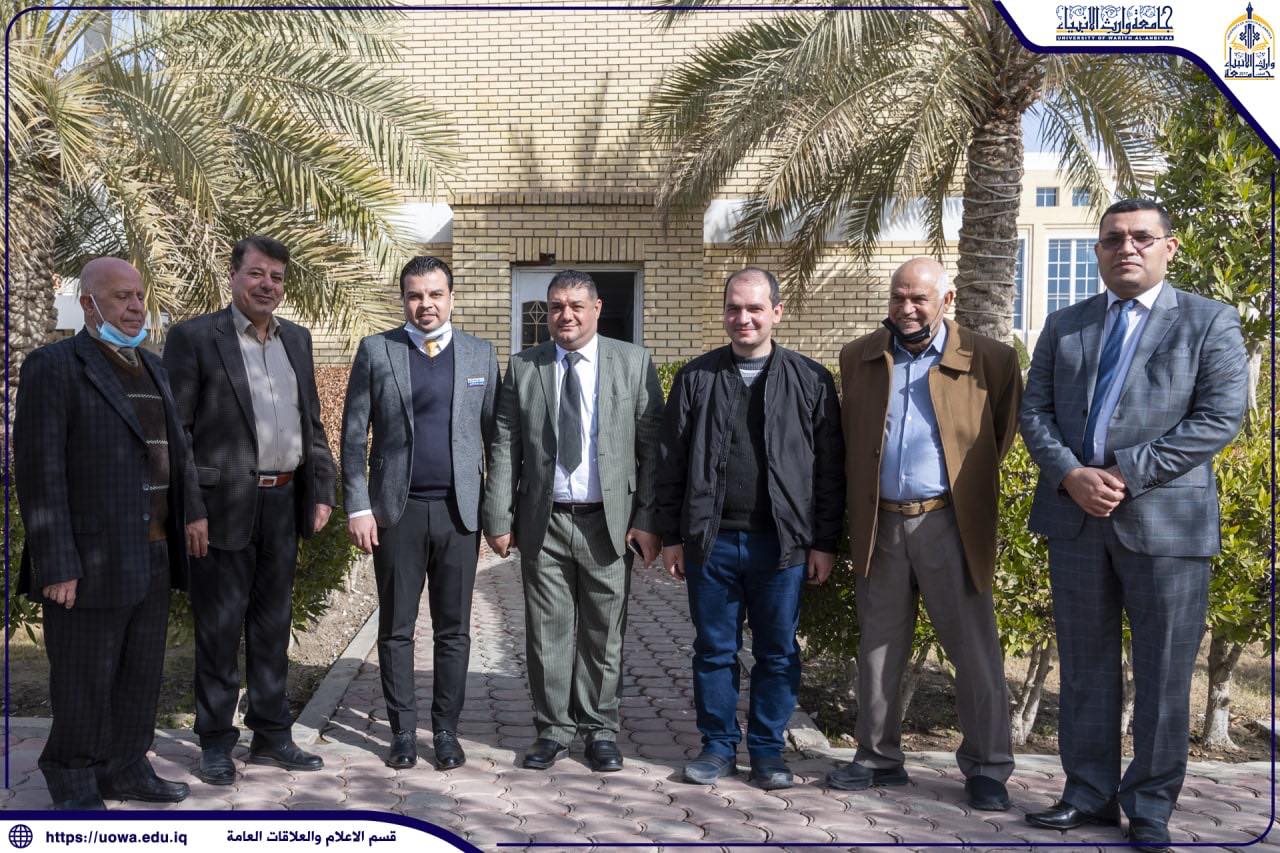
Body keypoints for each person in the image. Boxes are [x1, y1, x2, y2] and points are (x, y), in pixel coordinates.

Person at [1020, 199, 1248, 850]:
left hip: (1167, 525)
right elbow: (1035, 412)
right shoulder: (1065, 325)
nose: (1127, 247)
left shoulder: (1208, 321)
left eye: (1142, 237)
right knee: (1084, 667)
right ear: (1097, 250)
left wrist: (1123, 471)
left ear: (1168, 247)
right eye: (1113, 238)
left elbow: (1219, 417)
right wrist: (1072, 474)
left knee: (1164, 673)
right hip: (1075, 518)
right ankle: (1087, 794)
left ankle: (1149, 806)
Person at [827, 257, 1022, 810]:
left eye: (919, 298)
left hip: (949, 523)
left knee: (975, 651)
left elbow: (1001, 435)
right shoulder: (859, 356)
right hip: (880, 523)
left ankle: (988, 768)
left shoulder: (992, 359)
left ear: (947, 300)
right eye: (898, 297)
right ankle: (877, 757)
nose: (906, 308)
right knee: (878, 647)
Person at [14, 258, 194, 809]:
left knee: (140, 673)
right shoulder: (54, 366)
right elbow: (40, 471)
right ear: (88, 304)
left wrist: (192, 515)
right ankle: (72, 776)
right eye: (121, 297)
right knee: (83, 678)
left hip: (154, 551)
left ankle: (126, 768)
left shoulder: (154, 367)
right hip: (89, 559)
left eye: (139, 295)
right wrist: (56, 564)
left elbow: (176, 453)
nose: (135, 306)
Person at [656, 267, 844, 790]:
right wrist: (672, 536)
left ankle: (767, 751)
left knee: (777, 652)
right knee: (713, 651)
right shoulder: (696, 378)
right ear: (724, 313)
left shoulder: (811, 381)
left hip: (781, 546)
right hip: (711, 542)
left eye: (755, 308)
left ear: (776, 313)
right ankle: (717, 747)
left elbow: (830, 470)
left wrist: (824, 542)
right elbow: (670, 463)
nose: (744, 318)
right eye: (734, 308)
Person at [164, 235, 337, 785]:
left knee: (272, 624)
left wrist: (322, 488)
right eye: (257, 273)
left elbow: (311, 422)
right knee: (219, 628)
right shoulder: (195, 338)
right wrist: (190, 508)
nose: (268, 285)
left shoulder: (297, 340)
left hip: (284, 501)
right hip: (220, 509)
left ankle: (271, 734)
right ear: (234, 276)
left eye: (277, 277)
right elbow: (176, 433)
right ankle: (215, 740)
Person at [482, 269, 663, 772]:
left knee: (604, 633)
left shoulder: (632, 362)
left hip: (609, 523)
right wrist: (498, 516)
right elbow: (505, 444)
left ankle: (600, 729)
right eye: (557, 306)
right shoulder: (525, 367)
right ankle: (553, 729)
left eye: (576, 306)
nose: (566, 315)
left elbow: (652, 449)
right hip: (546, 522)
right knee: (547, 632)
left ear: (596, 308)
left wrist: (648, 519)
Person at [341, 256, 498, 770]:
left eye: (434, 294)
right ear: (403, 300)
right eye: (415, 295)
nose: (425, 304)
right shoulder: (377, 351)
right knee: (396, 629)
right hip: (397, 512)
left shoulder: (480, 354)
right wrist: (359, 506)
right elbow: (352, 436)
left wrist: (498, 514)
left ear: (451, 297)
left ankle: (446, 732)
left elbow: (497, 439)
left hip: (459, 514)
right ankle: (403, 733)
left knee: (454, 630)